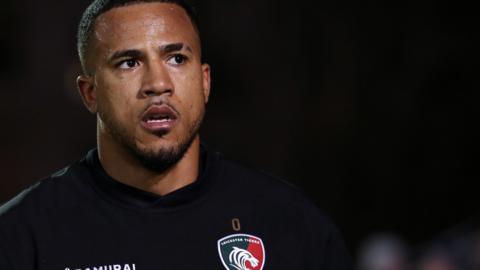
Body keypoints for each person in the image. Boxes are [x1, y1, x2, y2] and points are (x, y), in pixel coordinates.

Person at [0, 0, 352, 269]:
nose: (157, 84)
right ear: (89, 93)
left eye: (176, 59)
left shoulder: (291, 223)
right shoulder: (22, 235)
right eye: (129, 63)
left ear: (204, 81)